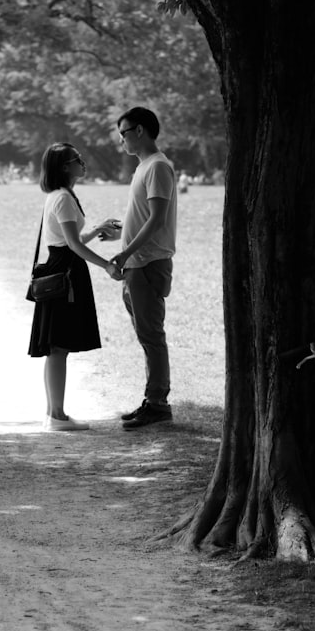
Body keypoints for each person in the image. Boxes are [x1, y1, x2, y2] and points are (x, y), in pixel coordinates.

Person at [27, 143, 121, 431]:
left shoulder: (61, 195)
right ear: (65, 167)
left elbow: (70, 241)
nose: (83, 162)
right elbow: (74, 245)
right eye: (76, 159)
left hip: (62, 267)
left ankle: (53, 413)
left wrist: (98, 228)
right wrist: (106, 265)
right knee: (59, 347)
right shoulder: (63, 198)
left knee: (57, 347)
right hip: (65, 274)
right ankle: (57, 416)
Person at [107, 107, 179, 430]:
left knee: (152, 335)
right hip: (137, 263)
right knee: (146, 335)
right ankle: (153, 400)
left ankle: (158, 404)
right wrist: (120, 231)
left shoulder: (158, 167)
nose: (121, 139)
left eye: (124, 133)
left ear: (140, 130)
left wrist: (124, 253)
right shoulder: (144, 168)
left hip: (148, 263)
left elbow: (157, 221)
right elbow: (143, 218)